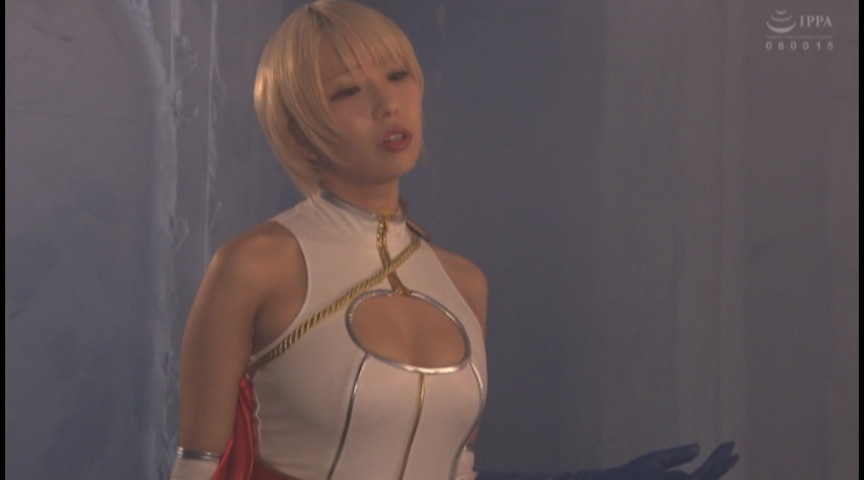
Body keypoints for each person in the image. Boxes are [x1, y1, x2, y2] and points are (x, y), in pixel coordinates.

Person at [170, 1, 739, 479]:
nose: (387, 105)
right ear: (299, 131)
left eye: (398, 76)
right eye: (348, 91)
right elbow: (198, 469)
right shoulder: (255, 266)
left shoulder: (464, 284)